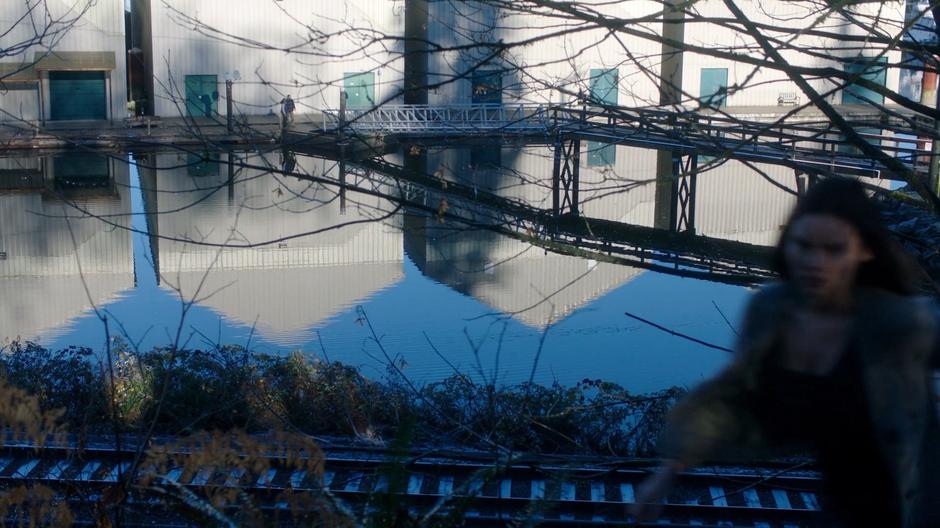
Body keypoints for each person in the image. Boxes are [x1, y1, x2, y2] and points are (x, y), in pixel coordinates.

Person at [631, 177, 940, 527]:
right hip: (840, 502)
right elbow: (734, 397)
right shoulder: (772, 311)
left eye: (833, 250)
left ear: (865, 252)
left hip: (915, 506)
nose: (814, 262)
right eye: (803, 245)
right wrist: (668, 471)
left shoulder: (900, 321)